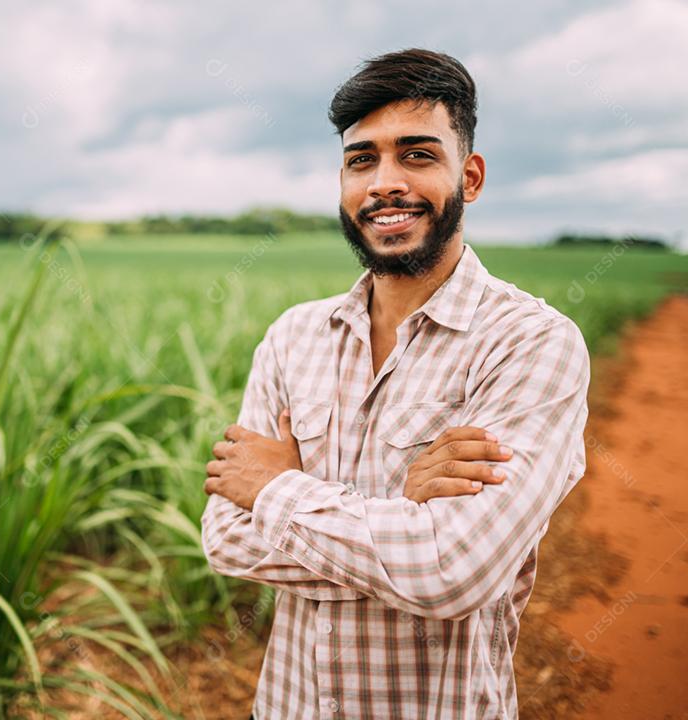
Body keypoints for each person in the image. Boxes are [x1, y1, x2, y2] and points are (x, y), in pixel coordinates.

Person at [201, 48, 590, 719]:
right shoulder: (293, 337)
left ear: (469, 176)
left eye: (416, 155)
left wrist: (275, 489)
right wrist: (401, 515)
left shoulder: (531, 343)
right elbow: (225, 538)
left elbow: (451, 572)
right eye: (362, 160)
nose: (385, 182)